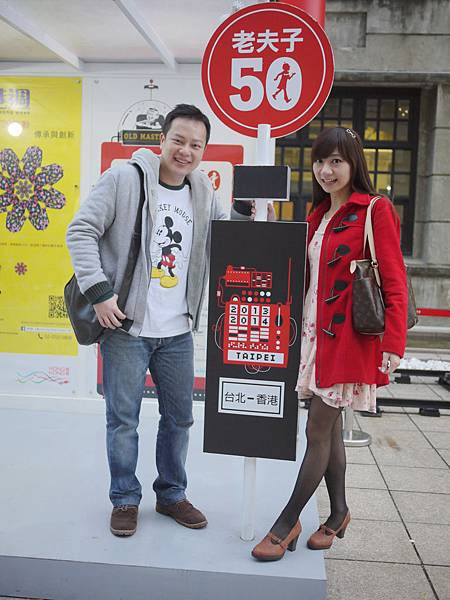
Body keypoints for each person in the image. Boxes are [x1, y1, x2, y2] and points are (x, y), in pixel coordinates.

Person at [67, 104, 245, 537]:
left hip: (177, 331)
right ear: (162, 140)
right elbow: (81, 231)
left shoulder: (202, 190)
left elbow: (225, 233)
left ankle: (171, 494)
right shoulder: (123, 179)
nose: (186, 151)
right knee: (123, 421)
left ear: (204, 150)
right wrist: (100, 293)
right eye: (178, 140)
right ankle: (125, 499)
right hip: (126, 327)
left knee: (180, 419)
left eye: (196, 145)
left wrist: (254, 215)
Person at [251, 126, 408, 561]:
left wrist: (394, 343)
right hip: (314, 335)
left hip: (349, 342)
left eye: (336, 161)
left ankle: (286, 523)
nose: (326, 170)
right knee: (330, 428)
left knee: (317, 429)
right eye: (320, 161)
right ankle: (338, 513)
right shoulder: (318, 214)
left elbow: (395, 280)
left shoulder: (374, 209)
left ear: (354, 163)